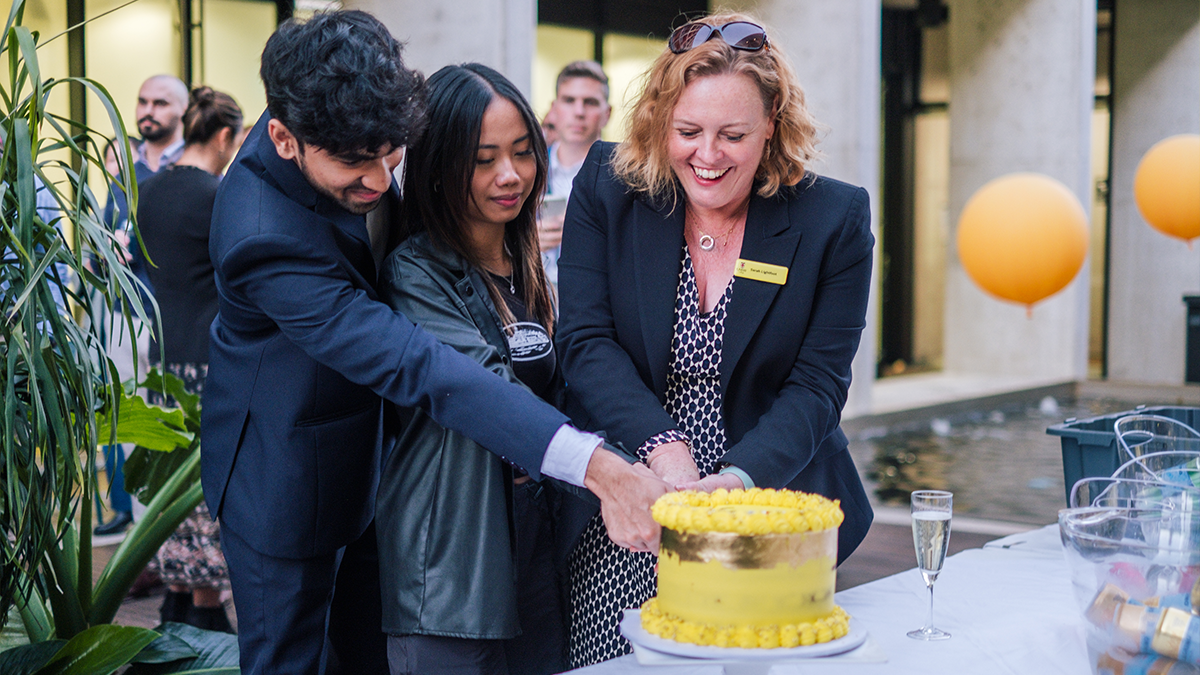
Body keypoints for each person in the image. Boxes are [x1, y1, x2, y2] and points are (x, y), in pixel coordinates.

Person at [201, 11, 667, 675]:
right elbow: (421, 364)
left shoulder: (350, 119)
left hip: (381, 470)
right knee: (291, 660)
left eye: (389, 156)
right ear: (283, 138)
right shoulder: (260, 236)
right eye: (354, 167)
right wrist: (595, 465)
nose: (377, 182)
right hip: (284, 473)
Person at [555, 13, 876, 666]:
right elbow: (585, 341)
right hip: (633, 501)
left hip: (765, 502)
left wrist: (733, 483)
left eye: (733, 134)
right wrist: (665, 449)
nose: (708, 156)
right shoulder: (607, 188)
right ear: (658, 119)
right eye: (688, 132)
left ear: (772, 120)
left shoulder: (833, 219)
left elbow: (817, 385)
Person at [377, 62, 569, 675]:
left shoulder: (528, 259)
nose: (508, 176)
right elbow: (484, 384)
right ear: (438, 166)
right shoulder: (416, 271)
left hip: (535, 550)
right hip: (452, 569)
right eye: (482, 160)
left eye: (521, 153)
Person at [138, 86, 245, 632]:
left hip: (161, 357)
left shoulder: (150, 190)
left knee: (165, 484)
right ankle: (205, 611)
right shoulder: (217, 196)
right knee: (203, 486)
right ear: (224, 135)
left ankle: (175, 599)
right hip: (206, 359)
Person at [537, 60, 611, 287]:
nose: (579, 112)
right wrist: (525, 242)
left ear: (607, 114)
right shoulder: (530, 168)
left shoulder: (624, 176)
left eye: (589, 102)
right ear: (554, 108)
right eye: (569, 100)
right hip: (536, 296)